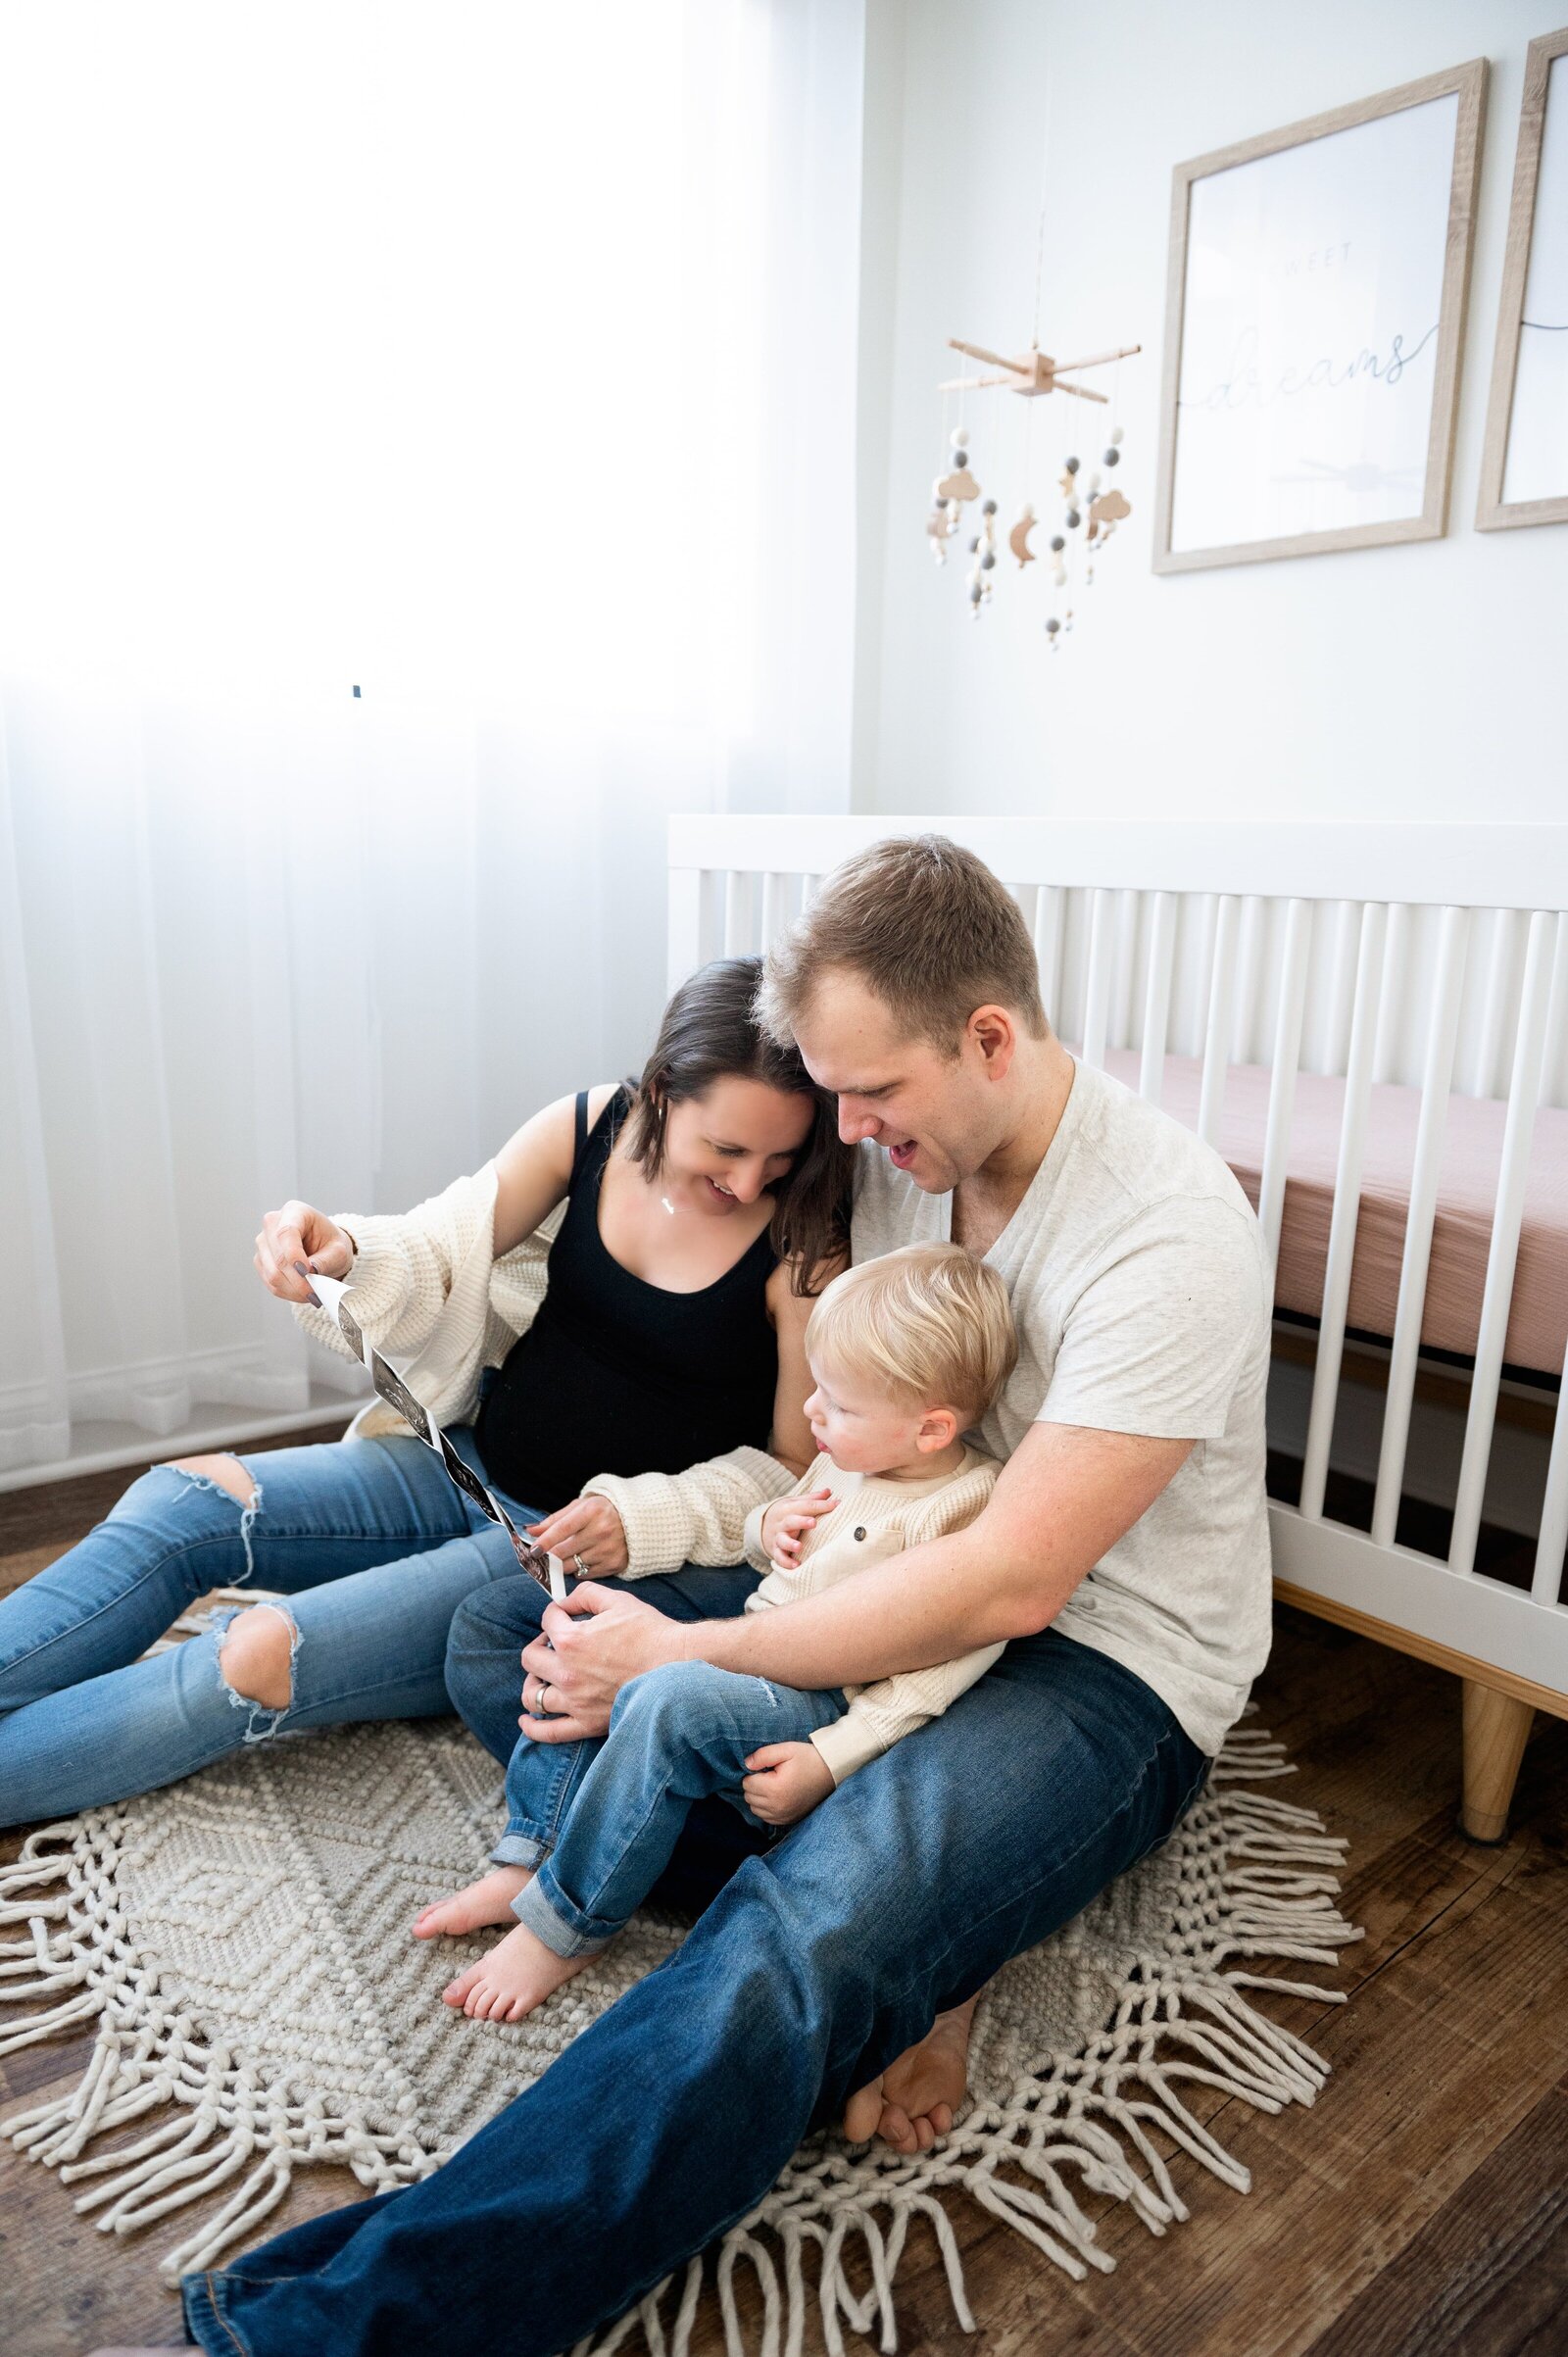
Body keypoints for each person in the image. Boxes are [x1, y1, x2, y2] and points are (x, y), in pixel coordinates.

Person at [169, 833, 1272, 2357]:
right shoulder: (895, 1169)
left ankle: (326, 2333)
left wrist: (694, 1646)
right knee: (510, 1624)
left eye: (872, 1092)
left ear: (991, 1037)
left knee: (802, 1940)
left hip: (1094, 1661)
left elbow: (1015, 1582)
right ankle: (931, 1917)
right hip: (871, 1558)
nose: (849, 1129)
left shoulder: (1169, 1227)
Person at [0, 958, 849, 1828]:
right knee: (183, 1497)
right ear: (665, 1092)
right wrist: (342, 1255)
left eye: (779, 1159)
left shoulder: (804, 1245)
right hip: (468, 1459)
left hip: (555, 1562)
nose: (749, 1182)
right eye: (728, 1149)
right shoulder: (596, 1123)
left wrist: (642, 1520)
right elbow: (445, 1245)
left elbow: (794, 1465)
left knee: (254, 1654)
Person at [417, 1241, 1013, 2025]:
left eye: (837, 1403)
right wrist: (774, 1524)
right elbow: (773, 1542)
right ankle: (530, 1847)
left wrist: (830, 1760)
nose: (811, 1412)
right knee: (583, 1640)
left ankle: (566, 1924)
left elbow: (936, 1673)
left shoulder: (964, 1506)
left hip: (822, 1700)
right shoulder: (851, 1457)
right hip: (756, 1647)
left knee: (669, 1701)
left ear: (931, 1429)